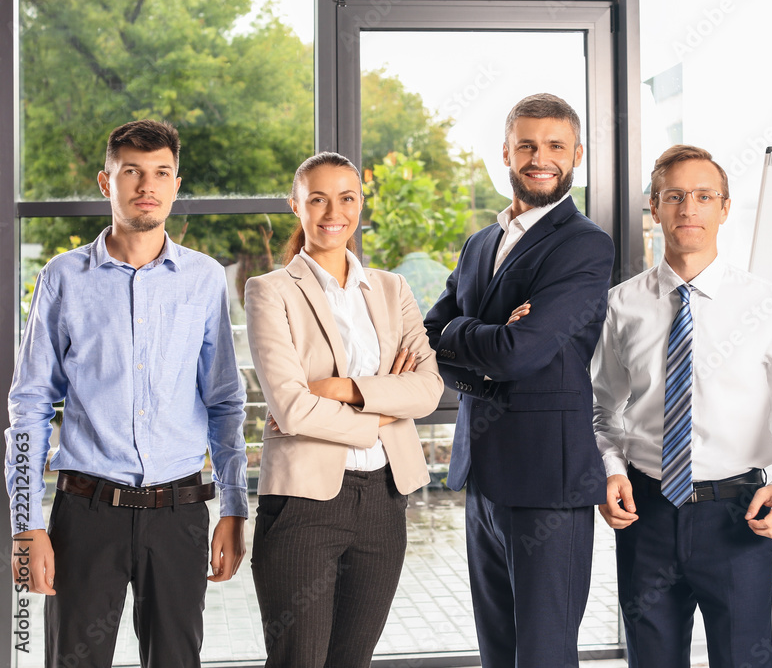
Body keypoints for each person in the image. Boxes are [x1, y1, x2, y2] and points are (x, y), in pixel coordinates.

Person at [5, 119, 248, 667]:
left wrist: (234, 506)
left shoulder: (204, 280)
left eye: (161, 172)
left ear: (176, 184)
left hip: (179, 512)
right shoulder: (63, 278)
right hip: (85, 515)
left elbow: (225, 403)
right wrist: (26, 526)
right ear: (105, 181)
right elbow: (29, 408)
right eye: (132, 172)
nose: (147, 185)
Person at [591, 144, 772, 667]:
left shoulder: (769, 307)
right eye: (674, 196)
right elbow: (600, 410)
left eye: (703, 196)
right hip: (645, 514)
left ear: (724, 207)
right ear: (654, 208)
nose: (688, 208)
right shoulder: (621, 305)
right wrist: (608, 470)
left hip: (737, 517)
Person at [424, 93, 615, 668]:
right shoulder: (481, 241)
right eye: (527, 144)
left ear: (576, 154)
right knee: (497, 651)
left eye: (555, 146)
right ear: (505, 152)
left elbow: (519, 352)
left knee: (543, 652)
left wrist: (469, 334)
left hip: (547, 484)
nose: (540, 157)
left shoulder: (584, 244)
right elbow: (432, 335)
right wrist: (479, 331)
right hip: (482, 472)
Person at [244, 151, 443, 668]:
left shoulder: (392, 288)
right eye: (317, 199)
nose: (334, 211)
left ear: (360, 204)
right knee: (298, 661)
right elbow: (291, 408)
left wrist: (343, 388)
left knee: (352, 660)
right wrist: (381, 408)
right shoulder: (270, 292)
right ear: (296, 206)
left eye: (347, 198)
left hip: (383, 500)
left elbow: (426, 389)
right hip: (302, 505)